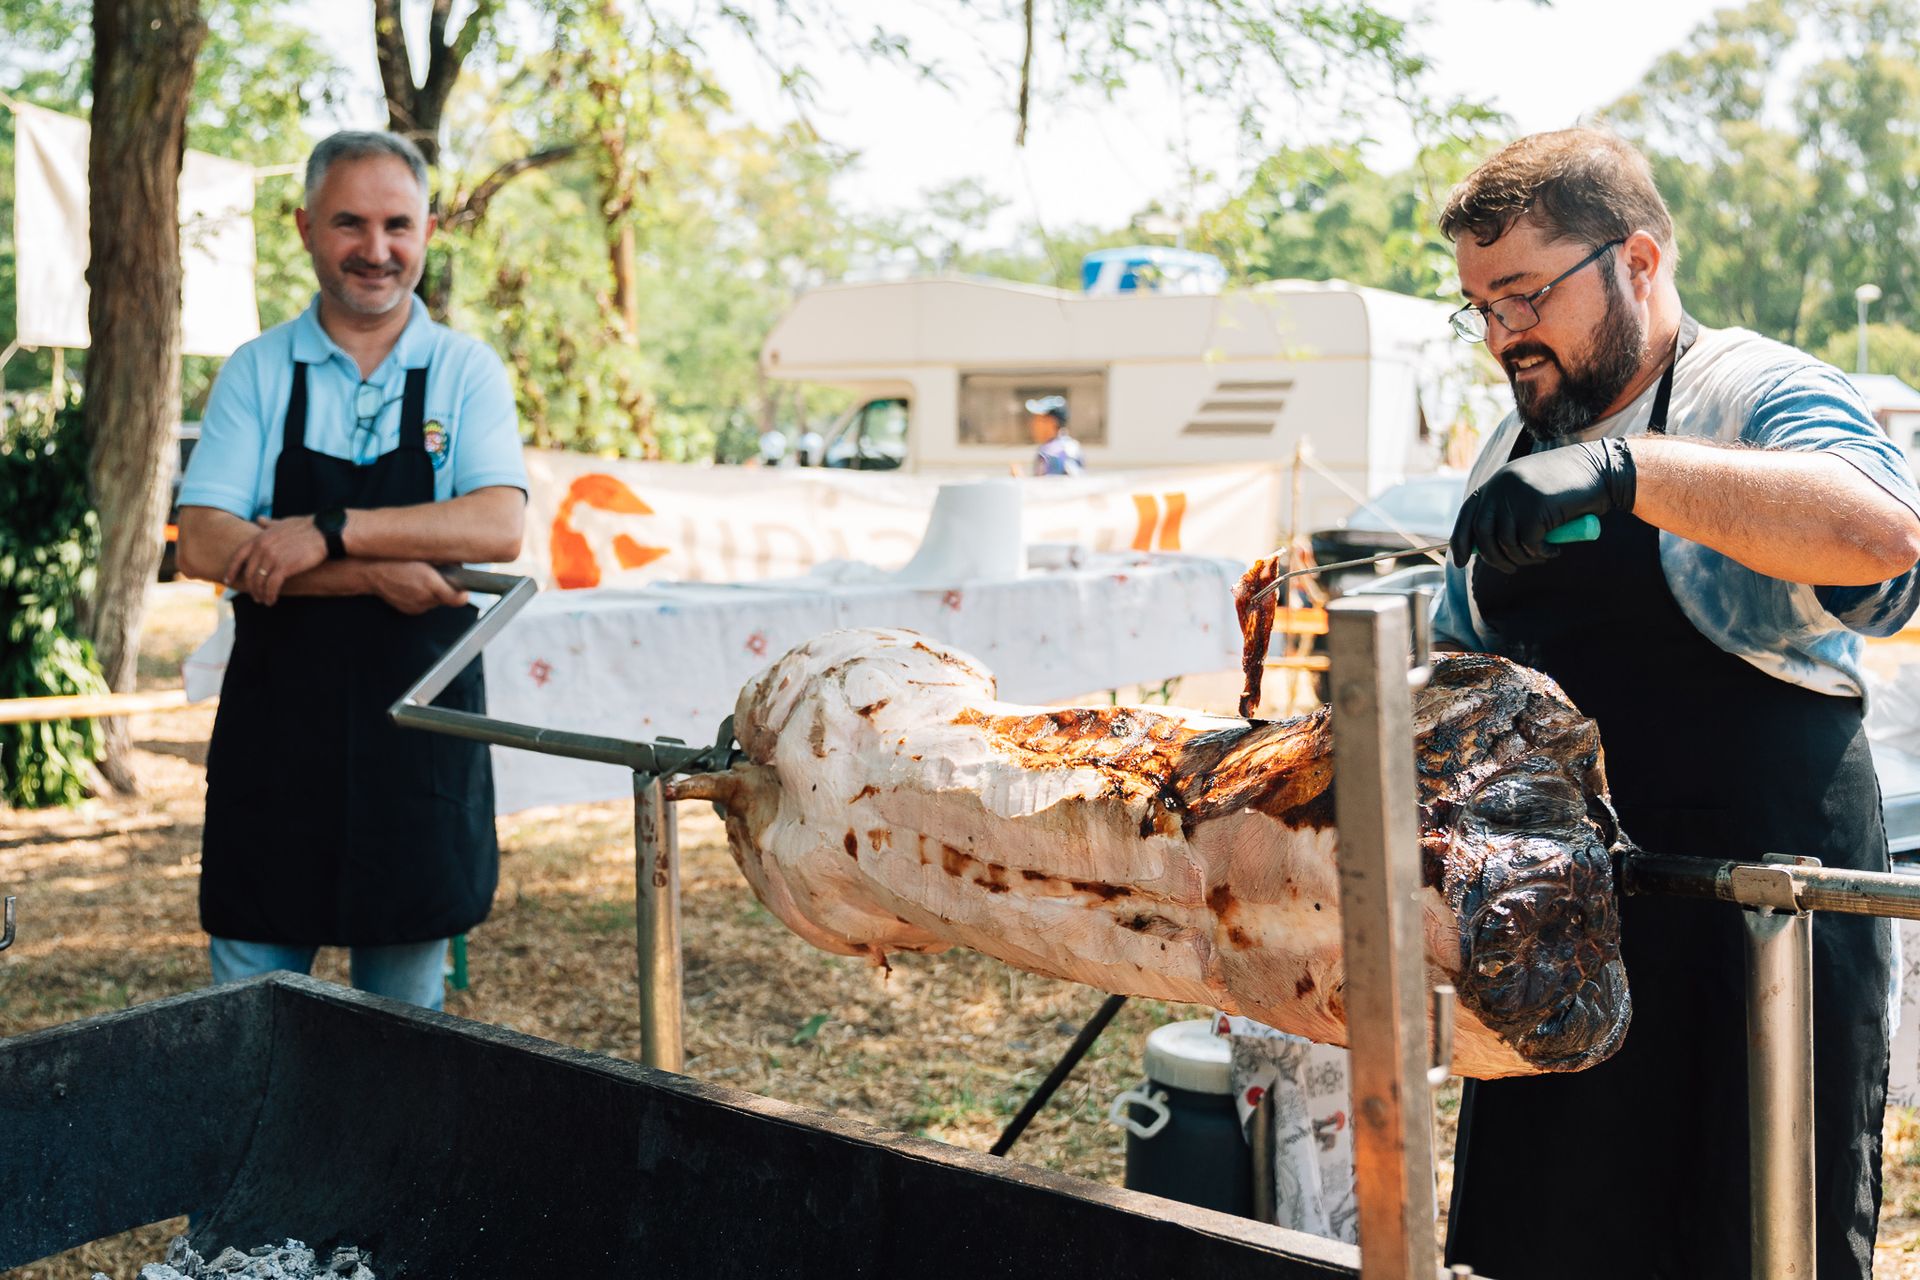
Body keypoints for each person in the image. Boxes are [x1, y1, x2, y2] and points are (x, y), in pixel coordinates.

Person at [1430, 128, 1920, 1280]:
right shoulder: (1512, 443)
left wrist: (1628, 474)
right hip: (1563, 929)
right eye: (1480, 308)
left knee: (1755, 1238)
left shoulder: (1753, 387)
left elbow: (1887, 538)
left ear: (1637, 261)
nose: (1504, 336)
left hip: (1762, 922)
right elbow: (1458, 671)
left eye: (1524, 296)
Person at [174, 131, 528, 1012]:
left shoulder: (464, 370)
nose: (376, 250)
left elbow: (496, 523)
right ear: (303, 228)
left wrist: (324, 530)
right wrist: (376, 569)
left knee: (404, 1042)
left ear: (429, 230)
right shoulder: (257, 371)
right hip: (276, 742)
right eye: (349, 223)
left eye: (397, 224)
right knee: (250, 1024)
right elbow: (205, 545)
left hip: (418, 747)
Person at [1025, 394, 1085, 476]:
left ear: (1052, 423)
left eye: (1038, 420)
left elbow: (1052, 485)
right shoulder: (1051, 447)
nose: (1033, 425)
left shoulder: (1057, 451)